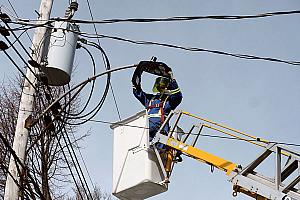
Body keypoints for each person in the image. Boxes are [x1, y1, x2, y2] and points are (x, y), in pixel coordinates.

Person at [132, 64, 183, 142]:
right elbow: (137, 91)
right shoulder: (150, 99)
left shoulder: (169, 101)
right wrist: (137, 74)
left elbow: (178, 96)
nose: (161, 89)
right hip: (147, 131)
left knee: (159, 151)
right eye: (160, 87)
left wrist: (172, 79)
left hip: (160, 131)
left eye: (163, 87)